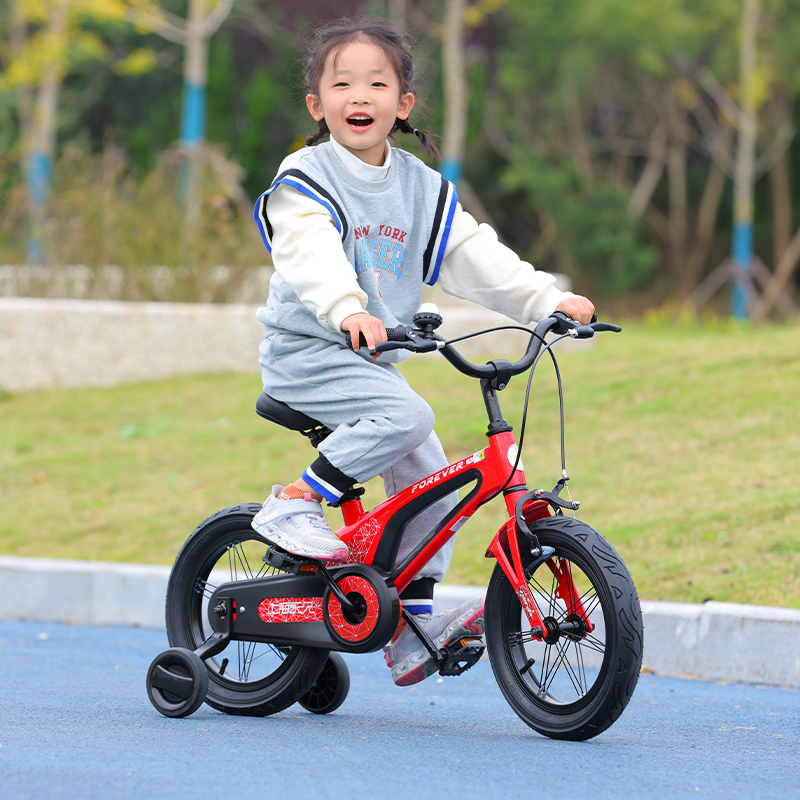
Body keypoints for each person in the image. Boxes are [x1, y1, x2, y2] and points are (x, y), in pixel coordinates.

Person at [251, 17, 595, 687]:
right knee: (408, 419)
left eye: (377, 83)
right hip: (309, 354)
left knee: (433, 483)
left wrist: (544, 301)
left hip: (369, 363)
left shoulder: (419, 188)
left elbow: (473, 256)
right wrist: (348, 307)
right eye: (342, 82)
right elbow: (309, 249)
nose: (361, 95)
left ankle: (411, 629)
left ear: (402, 104)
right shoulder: (306, 176)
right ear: (317, 105)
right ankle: (293, 501)